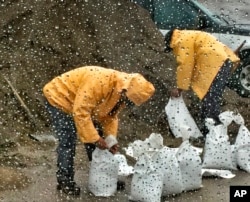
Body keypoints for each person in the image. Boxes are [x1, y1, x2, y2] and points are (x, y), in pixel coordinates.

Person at [43, 65, 155, 196]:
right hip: (59, 98)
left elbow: (110, 117)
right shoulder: (99, 82)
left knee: (98, 141)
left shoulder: (121, 92)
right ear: (126, 90)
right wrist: (95, 139)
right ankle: (64, 180)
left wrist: (110, 140)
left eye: (131, 103)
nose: (128, 104)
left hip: (80, 105)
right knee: (68, 141)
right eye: (129, 101)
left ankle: (103, 176)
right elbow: (81, 112)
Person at [164, 29, 240, 140]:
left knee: (211, 99)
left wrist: (179, 88)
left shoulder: (181, 41)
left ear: (171, 43)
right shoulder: (188, 35)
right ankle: (208, 130)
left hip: (215, 65)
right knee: (209, 98)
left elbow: (185, 64)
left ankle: (214, 134)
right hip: (221, 62)